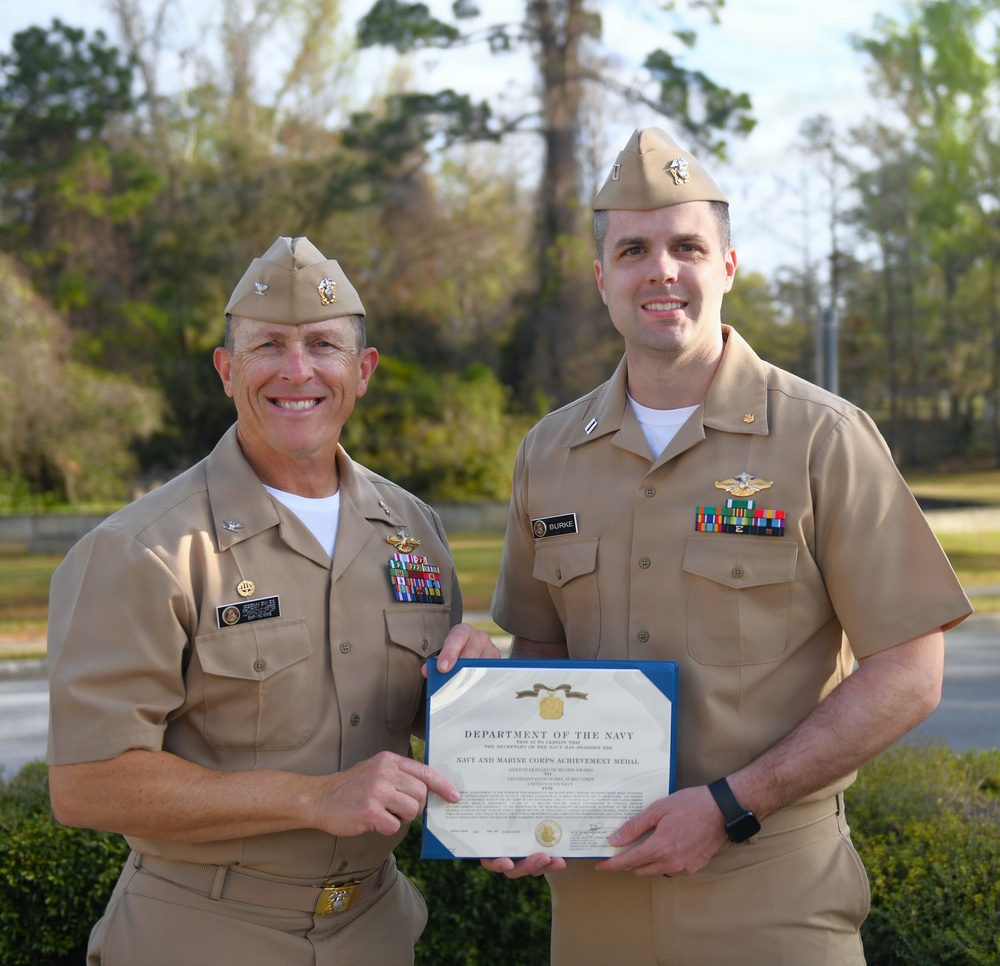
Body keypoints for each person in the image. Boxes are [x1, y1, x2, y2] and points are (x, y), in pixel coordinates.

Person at [483, 128, 973, 964]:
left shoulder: (823, 438)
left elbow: (910, 672)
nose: (661, 270)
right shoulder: (550, 453)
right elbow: (541, 650)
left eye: (687, 246)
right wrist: (517, 799)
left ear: (729, 266)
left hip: (772, 895)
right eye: (634, 249)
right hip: (597, 901)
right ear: (603, 280)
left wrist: (729, 804)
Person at [46, 235, 498, 965]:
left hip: (376, 931)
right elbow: (86, 785)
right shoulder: (145, 550)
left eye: (323, 345)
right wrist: (310, 798)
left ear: (363, 371)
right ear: (227, 370)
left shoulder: (411, 529)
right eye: (268, 348)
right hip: (203, 934)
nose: (297, 371)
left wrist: (475, 687)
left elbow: (420, 726)